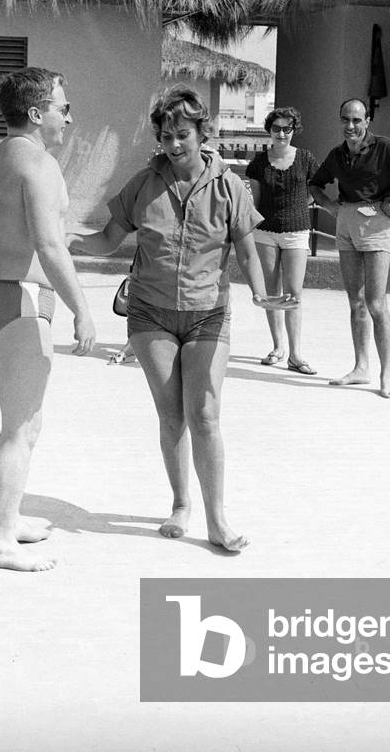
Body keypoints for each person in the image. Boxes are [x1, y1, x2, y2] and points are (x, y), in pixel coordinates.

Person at [72, 85, 297, 554]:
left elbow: (246, 248)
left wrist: (260, 293)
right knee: (171, 414)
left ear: (203, 133)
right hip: (150, 314)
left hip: (207, 315)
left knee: (206, 414)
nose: (174, 145)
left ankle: (217, 519)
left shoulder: (229, 185)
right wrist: (66, 239)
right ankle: (180, 504)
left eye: (183, 135)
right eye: (166, 136)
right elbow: (110, 237)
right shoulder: (143, 183)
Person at [0, 67, 96, 572]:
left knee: (26, 424)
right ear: (37, 114)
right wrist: (82, 309)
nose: (69, 115)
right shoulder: (39, 163)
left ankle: (9, 519)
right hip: (18, 301)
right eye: (63, 107)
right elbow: (49, 244)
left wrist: (7, 255)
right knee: (18, 428)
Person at [309, 98, 390, 399]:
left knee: (377, 303)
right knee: (356, 301)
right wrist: (328, 206)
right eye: (345, 120)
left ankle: (386, 374)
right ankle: (360, 367)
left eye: (356, 120)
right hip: (347, 221)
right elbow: (315, 184)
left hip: (377, 222)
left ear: (367, 122)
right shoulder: (337, 155)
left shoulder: (386, 148)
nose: (350, 126)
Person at [245, 105, 319, 374]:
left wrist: (297, 207)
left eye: (287, 129)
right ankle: (278, 347)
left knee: (294, 294)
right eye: (276, 128)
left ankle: (296, 354)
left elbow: (314, 193)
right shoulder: (258, 162)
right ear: (269, 131)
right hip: (265, 232)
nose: (281, 133)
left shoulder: (307, 159)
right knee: (271, 293)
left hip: (297, 231)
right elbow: (254, 201)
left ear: (293, 130)